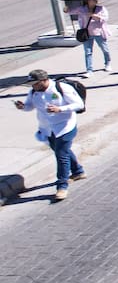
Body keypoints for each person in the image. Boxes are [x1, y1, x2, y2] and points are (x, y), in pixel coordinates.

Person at [16, 69, 85, 201]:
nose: (33, 86)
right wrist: (23, 107)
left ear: (44, 80)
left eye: (36, 83)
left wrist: (60, 109)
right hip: (47, 129)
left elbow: (79, 104)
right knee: (62, 151)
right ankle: (78, 171)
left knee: (61, 155)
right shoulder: (33, 92)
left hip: (65, 127)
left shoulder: (62, 88)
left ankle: (62, 186)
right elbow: (30, 106)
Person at [65, 0, 112, 77]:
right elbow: (70, 11)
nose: (96, 0)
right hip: (86, 34)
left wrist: (94, 16)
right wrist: (66, 8)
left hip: (99, 33)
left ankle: (107, 63)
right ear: (87, 0)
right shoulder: (82, 9)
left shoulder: (101, 8)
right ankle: (89, 70)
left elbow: (105, 19)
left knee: (105, 49)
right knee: (88, 52)